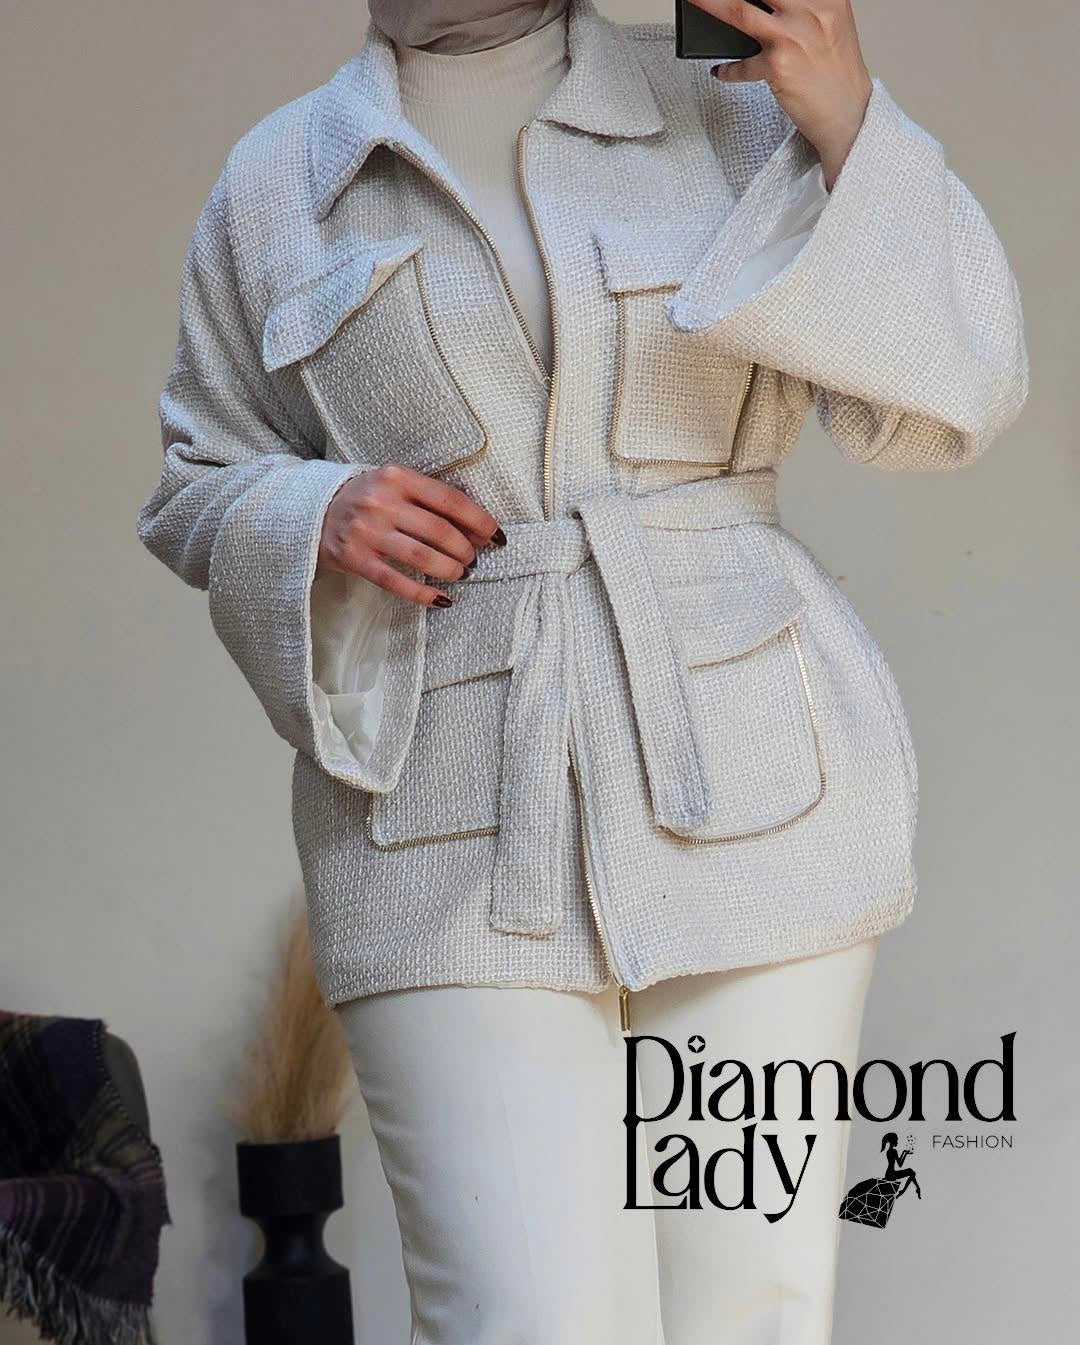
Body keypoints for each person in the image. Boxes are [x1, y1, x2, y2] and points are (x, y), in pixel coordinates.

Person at [135, 0, 1028, 1340]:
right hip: (443, 810)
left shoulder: (727, 102)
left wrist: (846, 115)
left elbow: (957, 393)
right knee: (522, 1315)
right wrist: (313, 510)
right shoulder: (280, 181)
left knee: (753, 1309)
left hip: (753, 772)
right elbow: (194, 479)